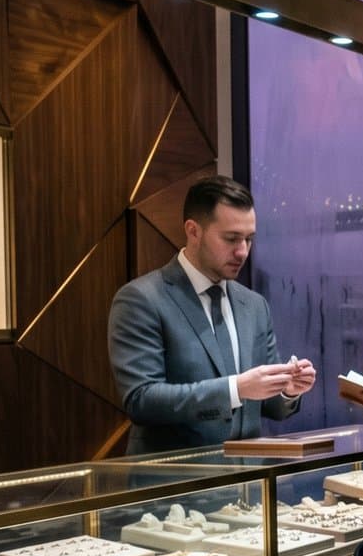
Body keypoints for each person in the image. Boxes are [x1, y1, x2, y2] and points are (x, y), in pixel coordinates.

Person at [108, 175, 315, 455]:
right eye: (231, 239)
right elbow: (142, 400)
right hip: (175, 487)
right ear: (193, 231)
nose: (242, 251)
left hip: (248, 487)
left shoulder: (254, 305)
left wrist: (288, 389)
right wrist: (236, 388)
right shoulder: (142, 299)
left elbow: (271, 408)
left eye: (248, 239)